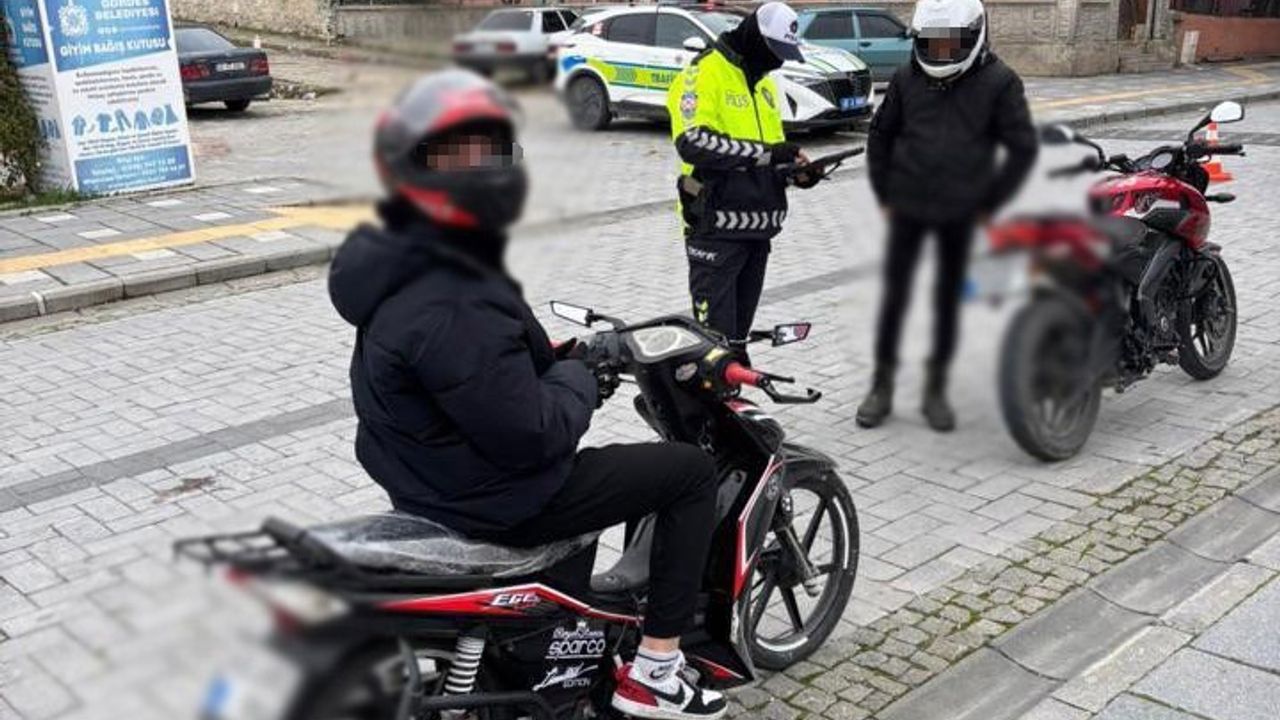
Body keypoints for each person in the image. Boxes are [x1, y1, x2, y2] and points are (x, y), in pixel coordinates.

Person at [327, 70, 726, 720]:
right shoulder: (453, 296)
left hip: (427, 476)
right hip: (498, 497)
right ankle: (656, 671)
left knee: (631, 472)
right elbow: (533, 434)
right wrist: (582, 377)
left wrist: (559, 361)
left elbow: (474, 378)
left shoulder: (395, 257)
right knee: (686, 472)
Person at [858, 0, 1037, 432]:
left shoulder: (1000, 82)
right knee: (895, 298)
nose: (940, 52)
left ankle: (935, 389)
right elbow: (880, 137)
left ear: (972, 37)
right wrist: (884, 192)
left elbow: (1022, 150)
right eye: (932, 43)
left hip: (961, 212)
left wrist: (989, 203)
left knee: (945, 302)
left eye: (950, 44)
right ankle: (881, 386)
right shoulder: (906, 77)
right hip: (908, 205)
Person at [667, 1, 817, 350]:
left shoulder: (765, 85)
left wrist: (796, 172)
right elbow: (693, 143)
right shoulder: (702, 73)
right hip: (714, 228)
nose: (778, 62)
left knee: (736, 342)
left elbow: (771, 154)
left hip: (758, 230)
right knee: (713, 348)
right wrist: (769, 154)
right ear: (755, 39)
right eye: (775, 52)